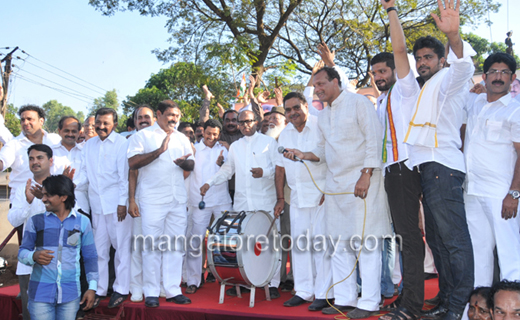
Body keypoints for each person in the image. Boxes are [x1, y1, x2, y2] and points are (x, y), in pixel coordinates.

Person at [284, 66, 391, 318]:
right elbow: (321, 151)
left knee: (367, 244)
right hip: (336, 188)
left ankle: (370, 301)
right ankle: (345, 298)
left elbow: (374, 140)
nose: (318, 89)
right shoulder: (323, 116)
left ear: (336, 81)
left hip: (363, 183)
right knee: (340, 245)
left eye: (322, 84)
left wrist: (366, 174)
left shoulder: (358, 103)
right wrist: (303, 155)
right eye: (315, 85)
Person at [401, 2, 476, 320]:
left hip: (442, 169)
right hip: (428, 170)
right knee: (438, 241)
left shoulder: (448, 80)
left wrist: (454, 36)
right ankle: (446, 299)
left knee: (454, 241)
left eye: (428, 57)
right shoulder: (424, 89)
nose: (421, 63)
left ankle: (459, 306)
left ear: (441, 59)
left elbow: (464, 68)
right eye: (418, 58)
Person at [374, 1, 425, 319]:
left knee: (409, 238)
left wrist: (391, 9)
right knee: (402, 236)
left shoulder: (405, 89)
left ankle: (412, 305)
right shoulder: (381, 100)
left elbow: (401, 48)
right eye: (375, 73)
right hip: (390, 172)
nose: (379, 76)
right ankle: (406, 295)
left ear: (396, 70)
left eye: (384, 70)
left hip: (406, 169)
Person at [200, 109, 282, 299]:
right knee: (245, 244)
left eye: (249, 121)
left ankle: (273, 282)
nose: (245, 125)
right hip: (243, 203)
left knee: (270, 242)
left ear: (257, 121)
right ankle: (247, 280)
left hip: (265, 201)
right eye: (241, 122)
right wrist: (209, 183)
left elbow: (277, 169)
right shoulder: (235, 146)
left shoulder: (269, 143)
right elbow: (227, 171)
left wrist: (265, 172)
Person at [127, 100, 194, 307]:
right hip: (152, 200)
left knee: (175, 246)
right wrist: (159, 152)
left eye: (177, 116)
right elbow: (132, 163)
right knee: (152, 247)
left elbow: (191, 164)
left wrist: (184, 163)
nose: (174, 119)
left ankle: (173, 290)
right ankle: (152, 292)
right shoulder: (142, 136)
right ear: (158, 114)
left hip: (177, 199)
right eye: (170, 115)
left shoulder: (182, 138)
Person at [464, 53, 520, 288]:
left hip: (501, 194)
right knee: (479, 254)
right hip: (472, 191)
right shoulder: (474, 101)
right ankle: (481, 307)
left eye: (504, 72)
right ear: (484, 77)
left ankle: (512, 309)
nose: (498, 77)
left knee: (509, 254)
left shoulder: (515, 111)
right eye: (493, 72)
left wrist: (514, 193)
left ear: (513, 78)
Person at [275, 92, 332, 311]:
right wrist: (281, 197)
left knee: (321, 245)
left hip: (321, 196)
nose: (292, 113)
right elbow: (280, 168)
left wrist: (330, 189)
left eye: (296, 107)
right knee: (300, 246)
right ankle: (304, 291)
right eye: (288, 110)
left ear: (306, 106)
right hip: (297, 197)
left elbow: (332, 156)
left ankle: (324, 293)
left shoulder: (320, 125)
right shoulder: (284, 134)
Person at [18, 175, 98, 320]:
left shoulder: (83, 222)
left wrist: (92, 287)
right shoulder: (35, 221)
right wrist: (33, 256)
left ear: (63, 197)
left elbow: (90, 257)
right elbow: (22, 252)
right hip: (40, 295)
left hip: (70, 295)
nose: (43, 199)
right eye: (43, 195)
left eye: (48, 195)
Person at [76, 108, 130, 309]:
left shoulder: (122, 144)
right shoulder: (88, 145)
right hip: (97, 206)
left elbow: (124, 177)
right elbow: (84, 173)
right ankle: (99, 289)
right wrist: (71, 184)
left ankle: (121, 288)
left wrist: (123, 202)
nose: (101, 126)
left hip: (117, 205)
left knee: (122, 248)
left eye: (106, 123)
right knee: (99, 250)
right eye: (98, 123)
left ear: (115, 124)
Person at [185, 119, 232, 294]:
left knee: (227, 241)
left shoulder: (224, 148)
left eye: (215, 134)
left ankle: (228, 280)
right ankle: (194, 280)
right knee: (195, 241)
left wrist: (222, 162)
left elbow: (228, 172)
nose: (211, 137)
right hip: (200, 202)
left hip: (222, 200)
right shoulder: (193, 149)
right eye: (208, 133)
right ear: (202, 132)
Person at [8, 144, 54, 320]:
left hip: (58, 262)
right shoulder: (22, 188)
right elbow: (14, 220)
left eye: (40, 158)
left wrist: (47, 199)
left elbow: (71, 218)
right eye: (31, 159)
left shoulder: (62, 185)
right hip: (29, 262)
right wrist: (28, 202)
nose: (35, 162)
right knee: (31, 314)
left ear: (50, 160)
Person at [0, 105, 61, 202]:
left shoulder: (54, 140)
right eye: (22, 120)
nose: (25, 123)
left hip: (51, 203)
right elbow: (2, 161)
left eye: (30, 119)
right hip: (21, 204)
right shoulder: (14, 144)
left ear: (41, 121)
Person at [127, 105, 156, 303]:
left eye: (147, 116)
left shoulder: (164, 138)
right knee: (138, 246)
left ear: (155, 118)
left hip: (160, 202)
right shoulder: (130, 141)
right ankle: (137, 287)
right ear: (135, 121)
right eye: (140, 117)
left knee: (157, 246)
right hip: (139, 200)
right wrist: (131, 200)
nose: (143, 120)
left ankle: (156, 285)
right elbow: (132, 172)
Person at [51, 116, 89, 213]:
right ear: (59, 131)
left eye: (74, 131)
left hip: (81, 204)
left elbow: (86, 173)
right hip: (55, 204)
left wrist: (71, 184)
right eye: (66, 131)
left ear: (79, 132)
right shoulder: (51, 152)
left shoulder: (85, 152)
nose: (70, 134)